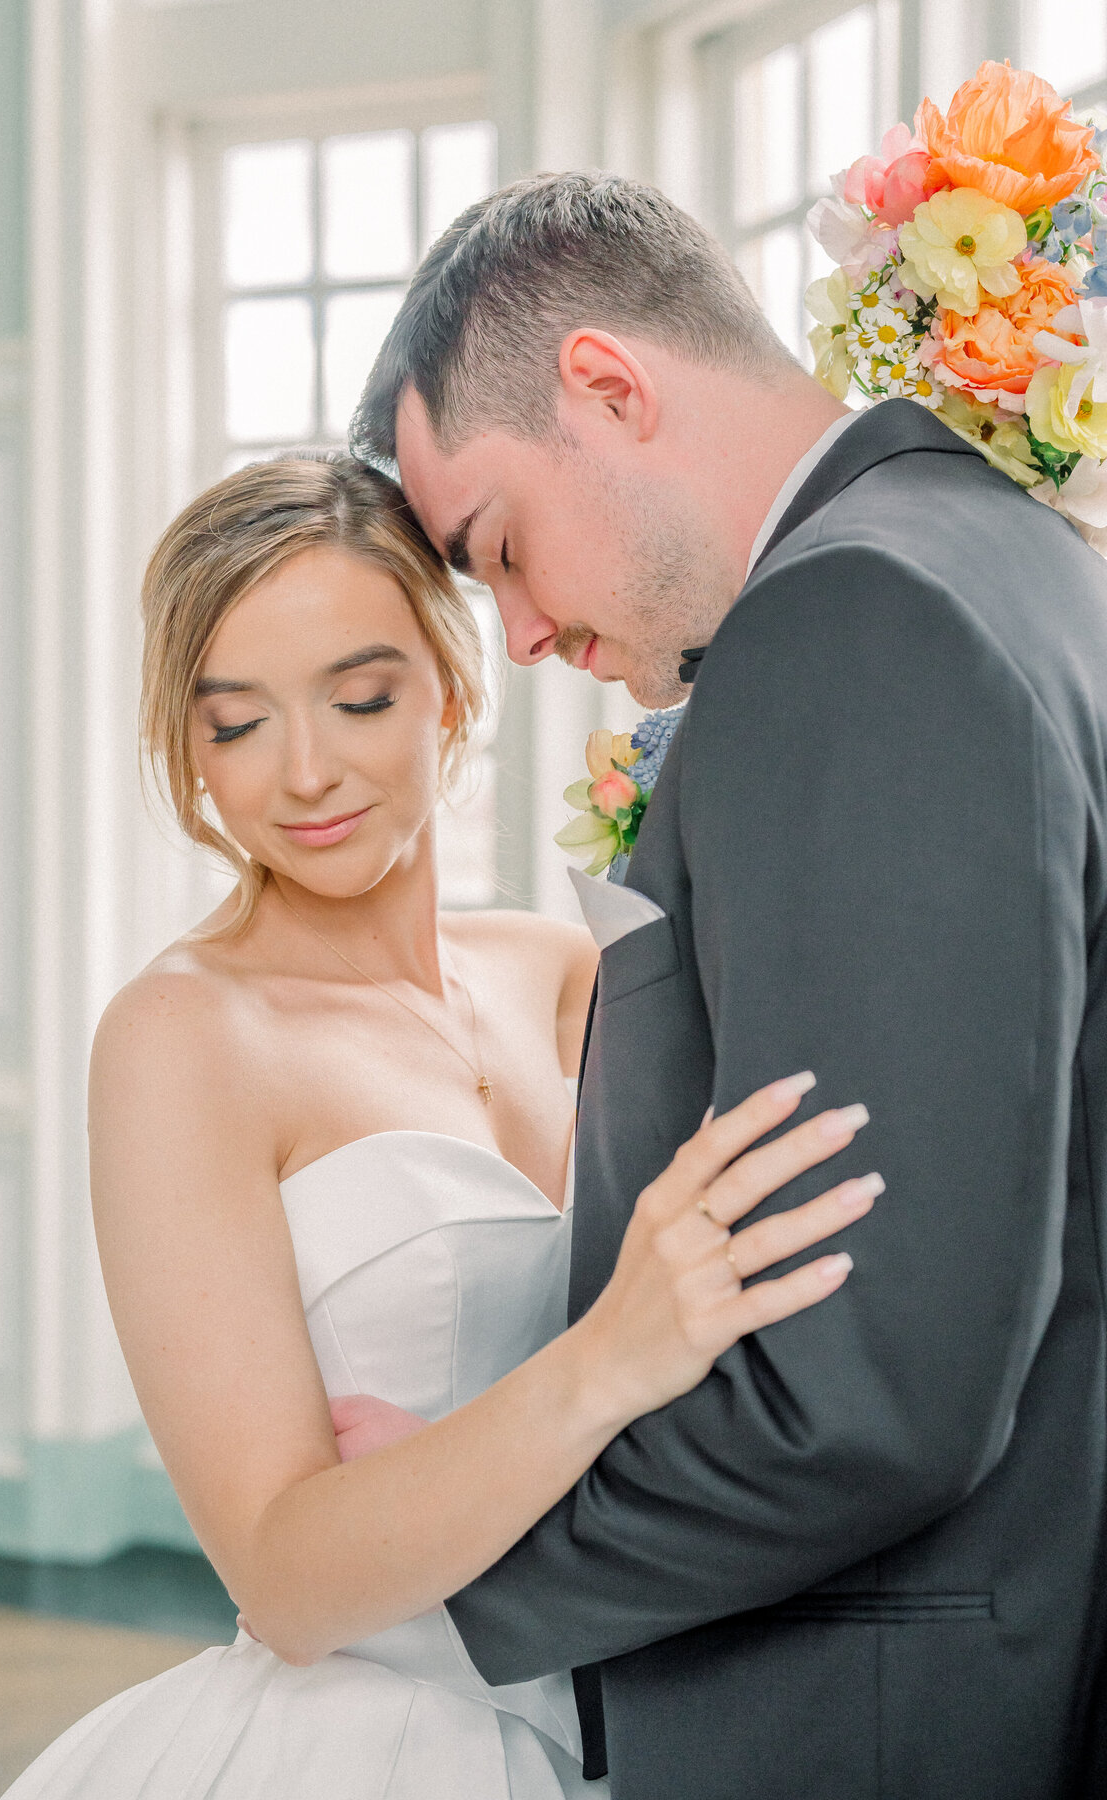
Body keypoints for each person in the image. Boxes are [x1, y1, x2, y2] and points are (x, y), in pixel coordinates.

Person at [345, 170, 1107, 1800]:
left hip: (869, 1722)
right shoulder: (1006, 553)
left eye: (499, 549)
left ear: (608, 388)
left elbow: (871, 1399)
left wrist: (453, 1555)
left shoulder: (854, 620)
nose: (527, 632)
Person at [0, 455, 872, 1799]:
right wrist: (607, 1362)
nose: (304, 773)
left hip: (633, 1708)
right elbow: (286, 1580)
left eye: (359, 698)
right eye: (235, 725)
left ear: (450, 690)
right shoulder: (182, 1038)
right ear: (187, 748)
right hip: (359, 1741)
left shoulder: (568, 968)